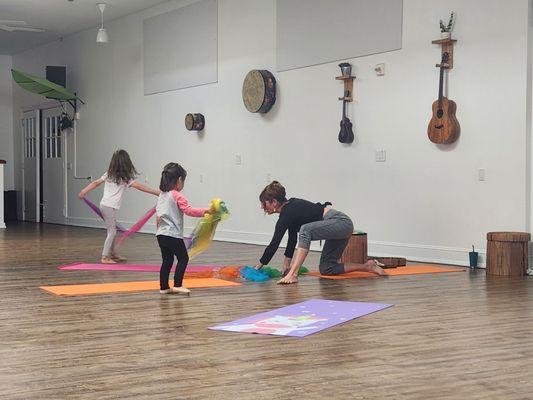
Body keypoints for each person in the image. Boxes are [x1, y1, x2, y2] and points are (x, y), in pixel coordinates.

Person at [254, 181, 387, 284]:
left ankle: (293, 275)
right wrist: (286, 264)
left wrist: (257, 267)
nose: (262, 207)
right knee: (327, 268)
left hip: (341, 222)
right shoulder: (289, 210)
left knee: (305, 230)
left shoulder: (288, 211)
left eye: (264, 204)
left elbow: (274, 244)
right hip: (336, 228)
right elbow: (292, 238)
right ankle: (368, 266)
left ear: (274, 202)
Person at [78, 149, 159, 264]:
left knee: (112, 230)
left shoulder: (109, 174)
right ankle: (105, 257)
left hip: (106, 205)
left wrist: (84, 191)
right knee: (112, 231)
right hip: (108, 207)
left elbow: (96, 182)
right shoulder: (125, 178)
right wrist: (157, 192)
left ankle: (113, 254)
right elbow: (140, 187)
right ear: (126, 163)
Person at [156, 162, 214, 295]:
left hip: (161, 234)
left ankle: (164, 287)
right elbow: (189, 210)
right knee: (183, 258)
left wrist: (158, 230)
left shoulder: (162, 195)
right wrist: (207, 211)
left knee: (167, 260)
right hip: (172, 234)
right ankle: (177, 284)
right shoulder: (176, 195)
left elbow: (158, 215)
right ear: (179, 180)